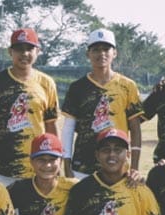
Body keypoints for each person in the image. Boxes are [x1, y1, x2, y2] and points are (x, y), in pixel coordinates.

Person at [0, 28, 59, 185]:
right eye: (19, 49)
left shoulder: (46, 83)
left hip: (37, 168)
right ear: (10, 51)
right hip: (0, 168)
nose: (24, 54)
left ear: (37, 51)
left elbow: (51, 125)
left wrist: (56, 160)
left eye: (29, 49)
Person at [61, 28, 144, 179]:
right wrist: (66, 164)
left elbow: (135, 128)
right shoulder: (77, 87)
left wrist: (135, 167)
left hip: (118, 166)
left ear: (115, 53)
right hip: (83, 167)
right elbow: (68, 129)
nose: (101, 54)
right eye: (96, 49)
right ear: (88, 54)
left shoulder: (128, 86)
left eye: (106, 49)